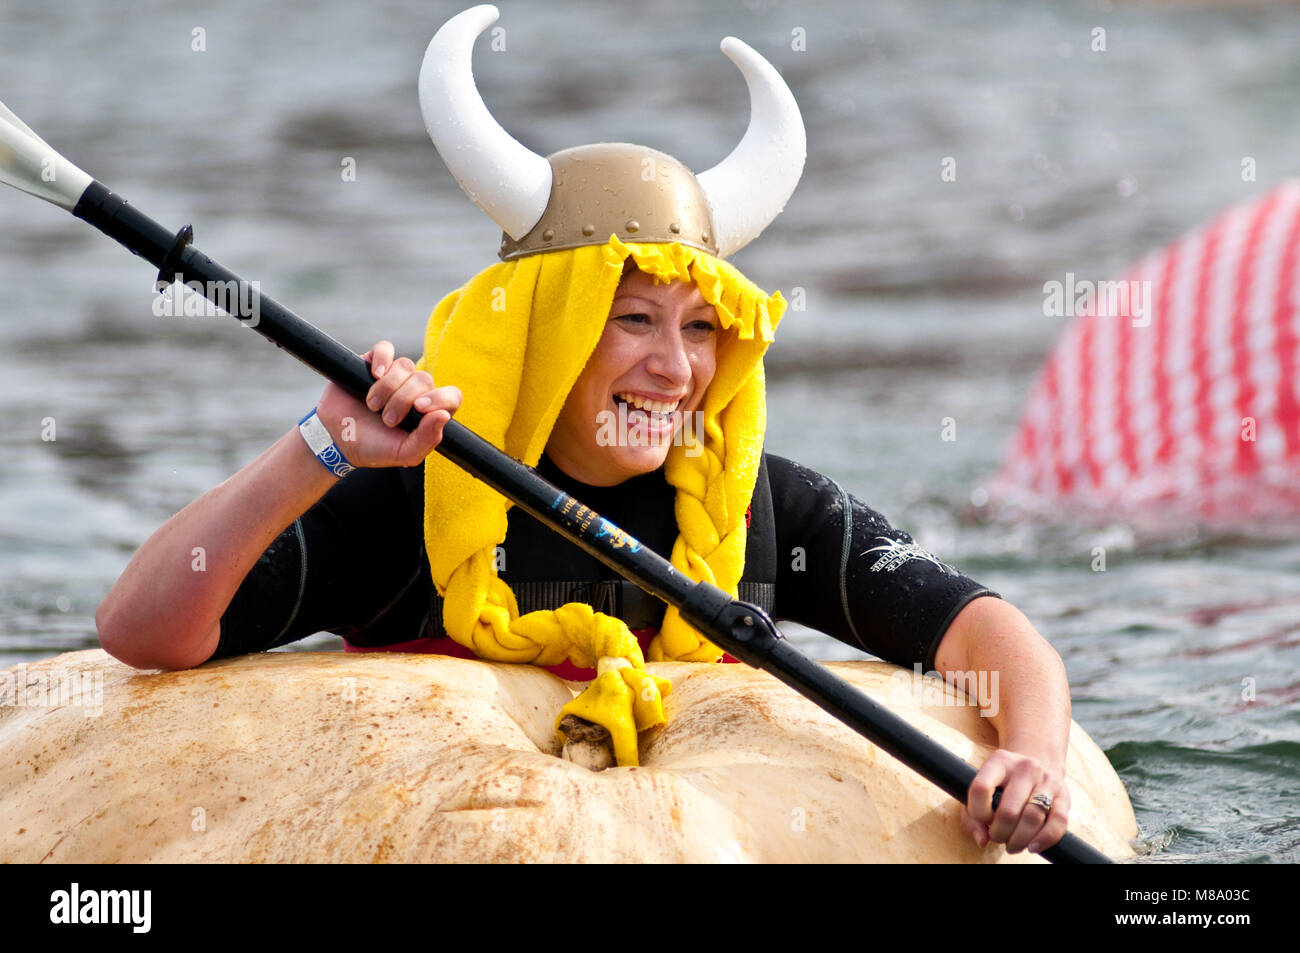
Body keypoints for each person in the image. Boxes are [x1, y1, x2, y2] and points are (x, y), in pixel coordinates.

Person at [96, 6, 1072, 857]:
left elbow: (990, 632)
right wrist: (318, 447)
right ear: (539, 336)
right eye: (634, 320)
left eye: (698, 329)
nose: (676, 368)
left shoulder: (759, 509)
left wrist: (1033, 758)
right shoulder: (413, 499)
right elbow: (144, 630)